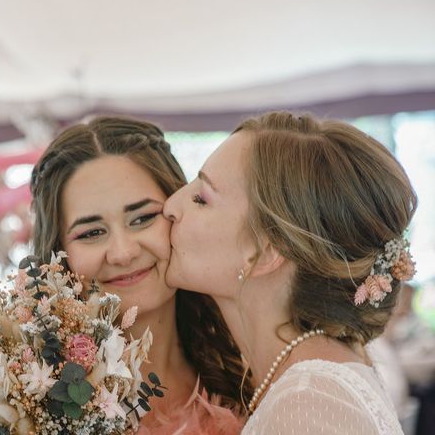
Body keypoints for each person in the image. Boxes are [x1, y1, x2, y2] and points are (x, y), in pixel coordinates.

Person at [163, 111, 417, 434]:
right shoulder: (314, 380)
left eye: (201, 198)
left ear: (266, 250)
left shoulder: (305, 403)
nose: (170, 206)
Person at [30, 116, 245, 433]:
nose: (123, 252)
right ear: (57, 253)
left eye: (143, 217)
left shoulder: (250, 368)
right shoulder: (31, 402)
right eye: (91, 233)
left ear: (178, 213)